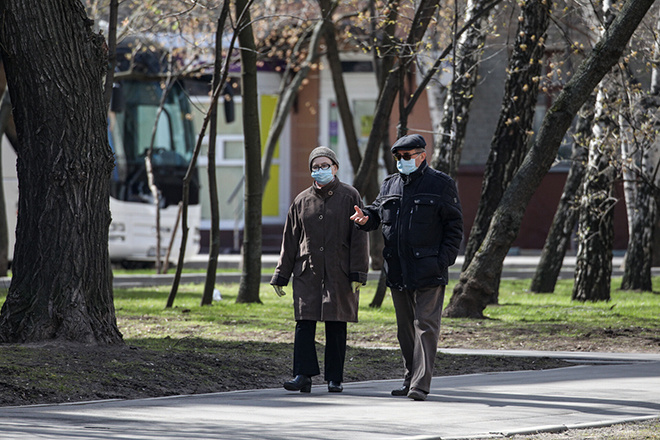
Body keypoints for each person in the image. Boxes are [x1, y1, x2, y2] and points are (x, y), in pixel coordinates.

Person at [350, 134, 463, 401]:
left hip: (429, 268)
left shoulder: (441, 184)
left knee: (425, 326)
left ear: (422, 156)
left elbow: (454, 226)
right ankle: (410, 378)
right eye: (398, 157)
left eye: (407, 156)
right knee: (405, 330)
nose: (402, 161)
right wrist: (365, 218)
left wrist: (443, 260)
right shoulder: (390, 184)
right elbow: (376, 213)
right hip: (398, 269)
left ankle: (420, 385)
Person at [271, 146, 369, 394]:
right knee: (304, 322)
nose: (320, 170)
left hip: (339, 272)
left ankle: (334, 378)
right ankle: (302, 375)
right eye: (315, 166)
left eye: (325, 165)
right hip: (308, 271)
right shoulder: (301, 200)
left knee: (336, 323)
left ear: (335, 168)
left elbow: (359, 237)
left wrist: (358, 273)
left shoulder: (350, 196)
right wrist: (281, 275)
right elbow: (290, 240)